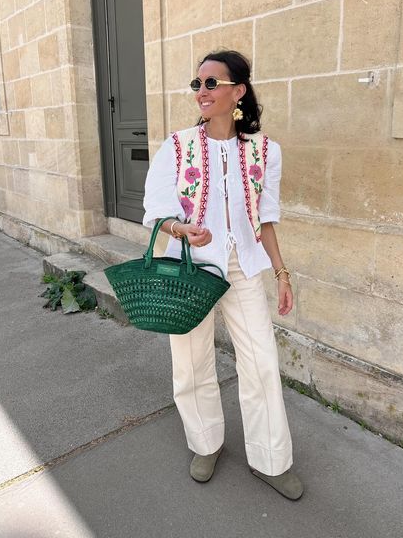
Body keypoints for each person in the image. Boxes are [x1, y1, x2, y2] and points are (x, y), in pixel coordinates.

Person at [142, 50, 303, 500]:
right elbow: (155, 210)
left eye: (212, 83)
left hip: (244, 267)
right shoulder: (177, 146)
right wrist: (179, 228)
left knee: (263, 362)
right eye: (198, 84)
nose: (202, 92)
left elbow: (265, 218)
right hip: (190, 269)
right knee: (191, 363)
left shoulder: (266, 151)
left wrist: (282, 273)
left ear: (238, 91)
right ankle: (205, 442)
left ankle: (271, 460)